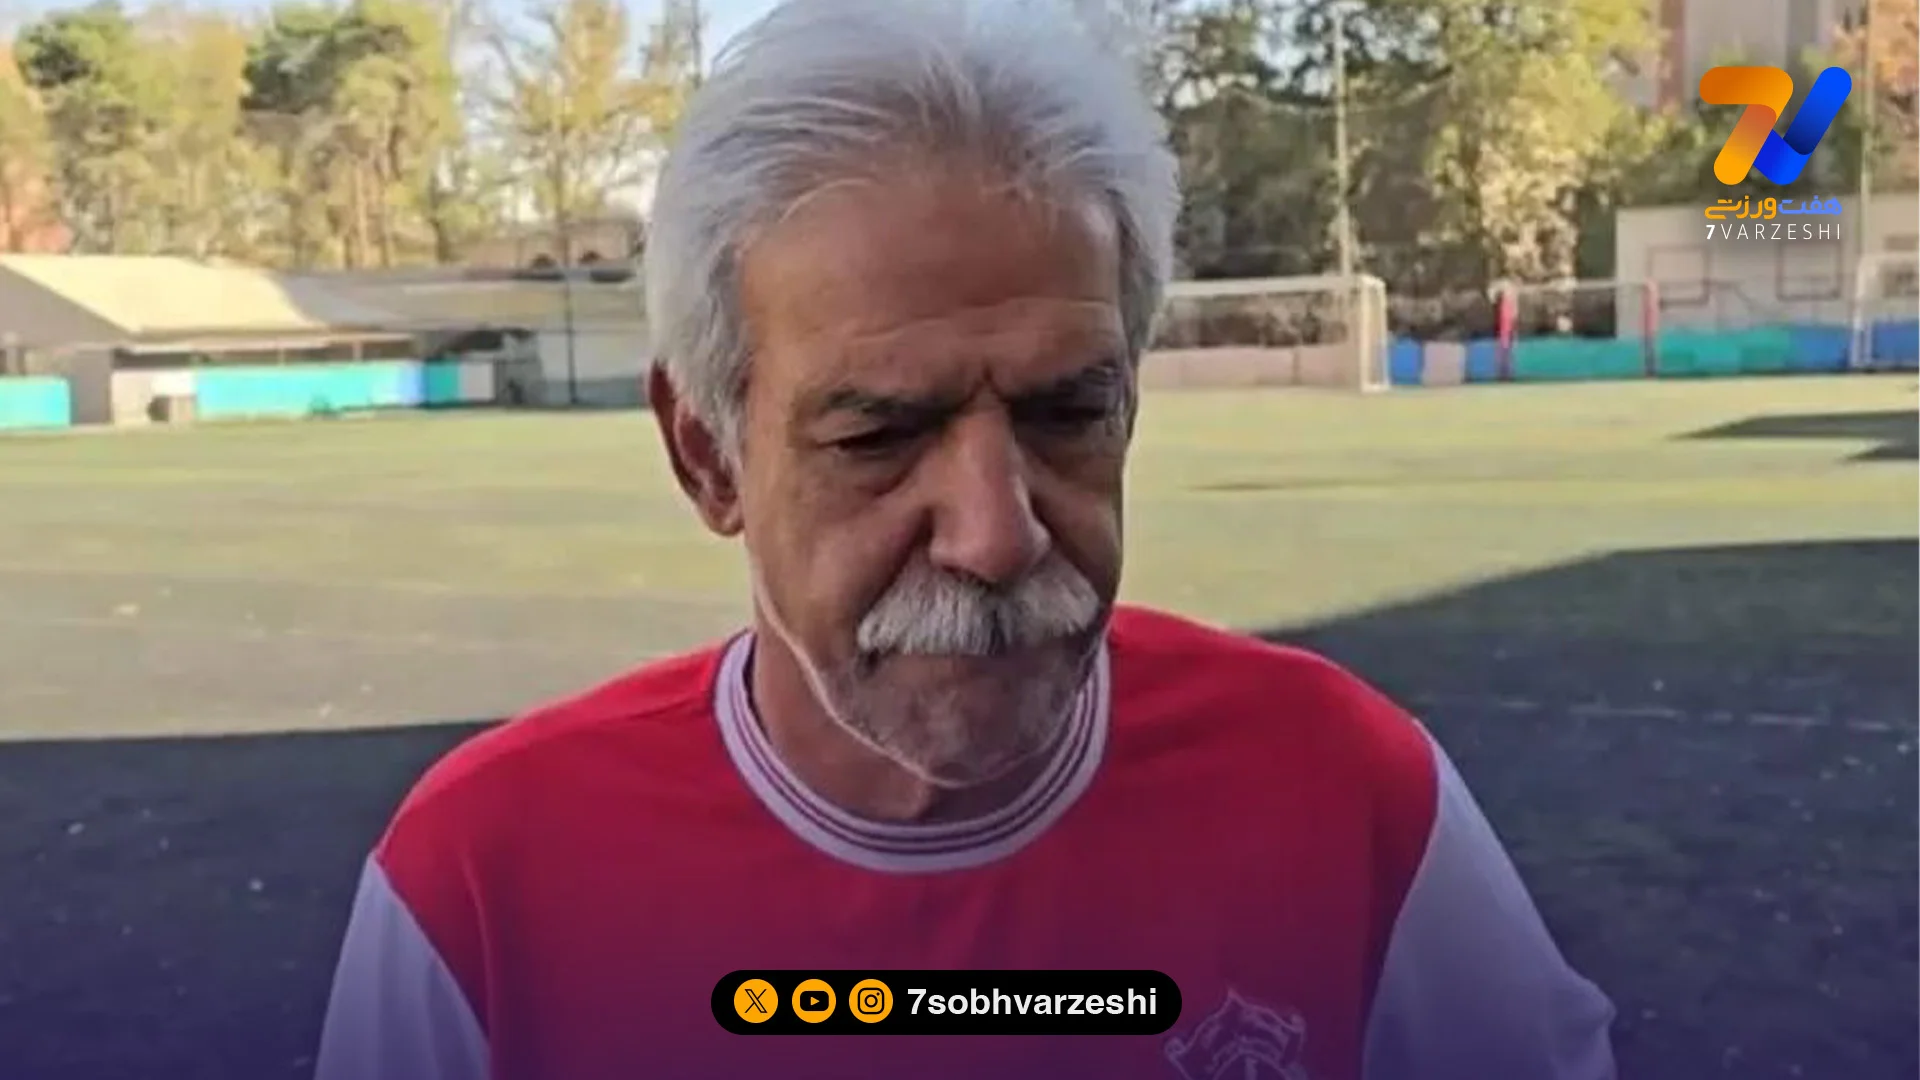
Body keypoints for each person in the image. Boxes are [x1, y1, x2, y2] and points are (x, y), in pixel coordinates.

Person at [314, 1, 1617, 1077]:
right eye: (878, 434)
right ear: (707, 453)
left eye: (1067, 414)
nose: (997, 536)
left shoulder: (1352, 798)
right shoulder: (482, 884)